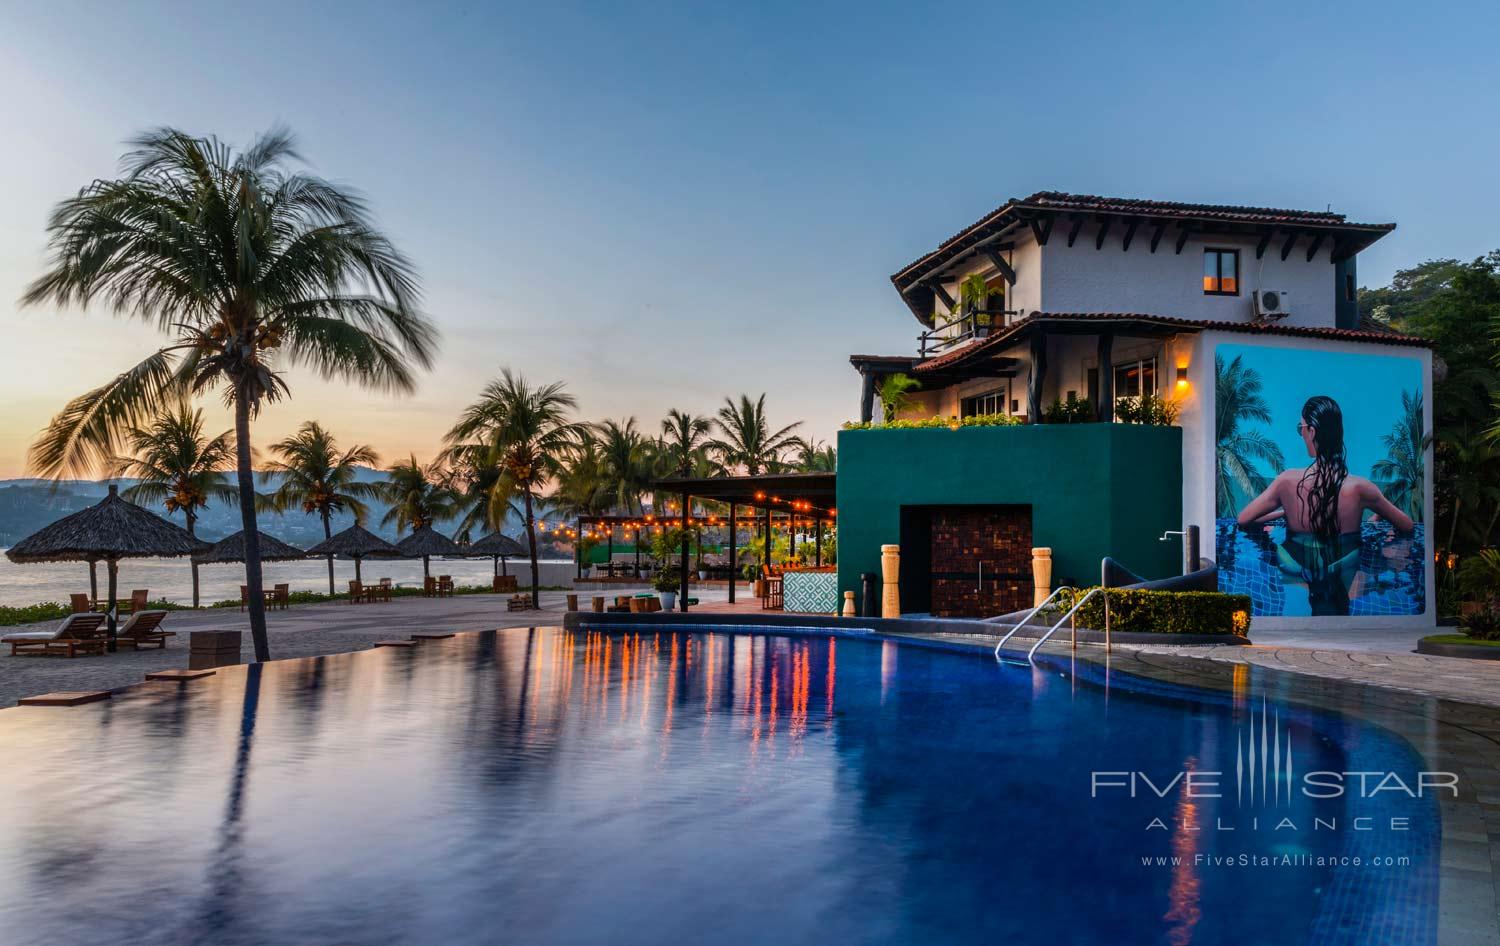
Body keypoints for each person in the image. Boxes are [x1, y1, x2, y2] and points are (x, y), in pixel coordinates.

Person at [1236, 396, 1413, 615]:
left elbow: (1244, 519)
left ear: (1311, 431)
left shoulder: (1287, 482)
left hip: (1295, 568)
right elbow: (1406, 526)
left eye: (1300, 428)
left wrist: (1285, 511)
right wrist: (1375, 519)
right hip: (1346, 568)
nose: (1301, 433)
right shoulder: (1361, 489)